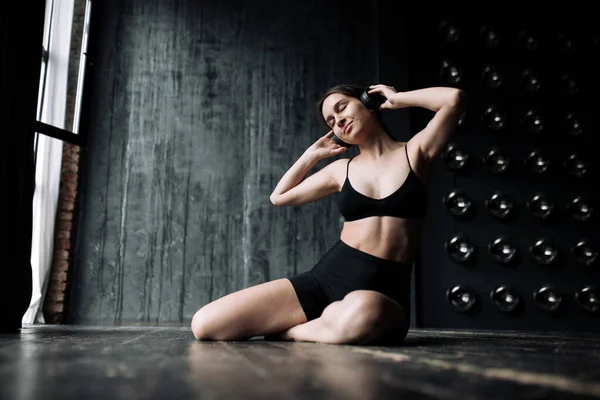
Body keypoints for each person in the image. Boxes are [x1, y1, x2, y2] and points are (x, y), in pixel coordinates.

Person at [191, 83, 465, 345]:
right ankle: (326, 325)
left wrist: (396, 99)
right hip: (327, 280)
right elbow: (279, 197)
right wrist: (312, 155)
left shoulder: (415, 151)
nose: (338, 121)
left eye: (342, 107)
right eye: (331, 122)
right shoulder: (340, 170)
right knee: (206, 324)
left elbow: (453, 100)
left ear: (368, 102)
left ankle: (294, 333)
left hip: (383, 295)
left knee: (364, 312)